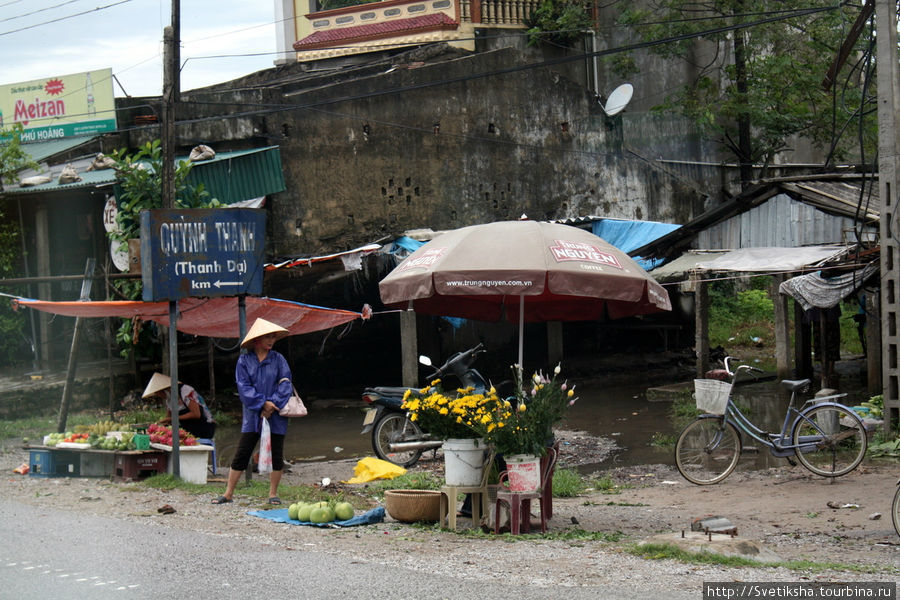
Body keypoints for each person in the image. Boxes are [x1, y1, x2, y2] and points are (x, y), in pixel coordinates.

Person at [212, 318, 293, 505]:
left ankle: (273, 494)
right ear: (257, 340)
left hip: (276, 413)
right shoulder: (244, 360)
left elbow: (286, 383)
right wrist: (262, 404)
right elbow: (244, 387)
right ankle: (228, 493)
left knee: (277, 453)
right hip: (253, 414)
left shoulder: (278, 359)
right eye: (267, 337)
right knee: (243, 451)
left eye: (272, 337)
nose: (270, 340)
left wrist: (273, 404)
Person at [142, 372, 216, 440]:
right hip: (188, 428)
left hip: (204, 427)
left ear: (164, 389)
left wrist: (172, 419)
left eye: (159, 393)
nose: (159, 396)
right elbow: (169, 418)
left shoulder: (185, 391)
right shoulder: (169, 400)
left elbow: (196, 414)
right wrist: (158, 425)